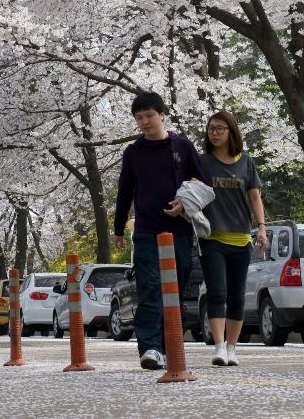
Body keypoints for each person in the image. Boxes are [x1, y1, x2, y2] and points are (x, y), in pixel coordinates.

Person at [112, 91, 208, 370]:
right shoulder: (133, 153)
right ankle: (150, 347)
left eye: (149, 115)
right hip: (146, 230)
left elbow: (201, 181)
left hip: (179, 231)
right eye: (139, 117)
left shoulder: (183, 146)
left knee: (174, 289)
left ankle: (169, 345)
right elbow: (124, 192)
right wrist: (119, 229)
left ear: (162, 115)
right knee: (149, 286)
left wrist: (184, 203)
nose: (145, 121)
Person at [198, 111, 267, 367]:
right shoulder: (202, 162)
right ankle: (218, 347)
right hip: (211, 238)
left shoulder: (246, 162)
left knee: (237, 296)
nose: (214, 133)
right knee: (217, 292)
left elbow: (255, 197)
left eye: (219, 128)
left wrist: (261, 227)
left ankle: (232, 348)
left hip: (240, 239)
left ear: (231, 132)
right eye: (210, 129)